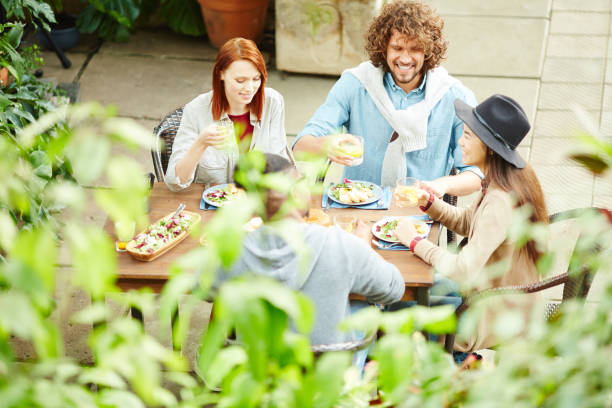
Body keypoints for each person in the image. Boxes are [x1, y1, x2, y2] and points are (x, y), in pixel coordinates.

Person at [214, 153, 404, 364]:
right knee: (361, 308)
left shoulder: (230, 253)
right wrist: (362, 247)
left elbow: (203, 291)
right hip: (329, 383)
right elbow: (394, 289)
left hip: (259, 383)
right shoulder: (341, 244)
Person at [395, 94, 549, 352]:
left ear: (489, 147)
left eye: (467, 136)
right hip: (488, 294)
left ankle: (450, 370)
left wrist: (415, 242)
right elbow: (469, 223)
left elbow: (463, 269)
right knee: (402, 293)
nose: (460, 142)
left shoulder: (501, 201)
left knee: (394, 311)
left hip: (494, 314)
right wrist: (430, 204)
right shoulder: (502, 179)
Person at [293, 0, 482, 196]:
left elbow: (476, 173)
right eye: (398, 48)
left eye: (415, 49)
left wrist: (442, 185)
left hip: (419, 216)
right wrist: (326, 145)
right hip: (359, 210)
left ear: (428, 51)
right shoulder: (355, 84)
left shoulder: (455, 98)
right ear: (384, 48)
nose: (405, 58)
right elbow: (301, 146)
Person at [165, 38, 293, 191]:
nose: (250, 88)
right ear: (221, 75)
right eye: (240, 80)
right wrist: (201, 143)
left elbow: (280, 163)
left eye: (256, 79)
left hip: (259, 200)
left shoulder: (272, 103)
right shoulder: (196, 110)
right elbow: (174, 183)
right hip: (211, 207)